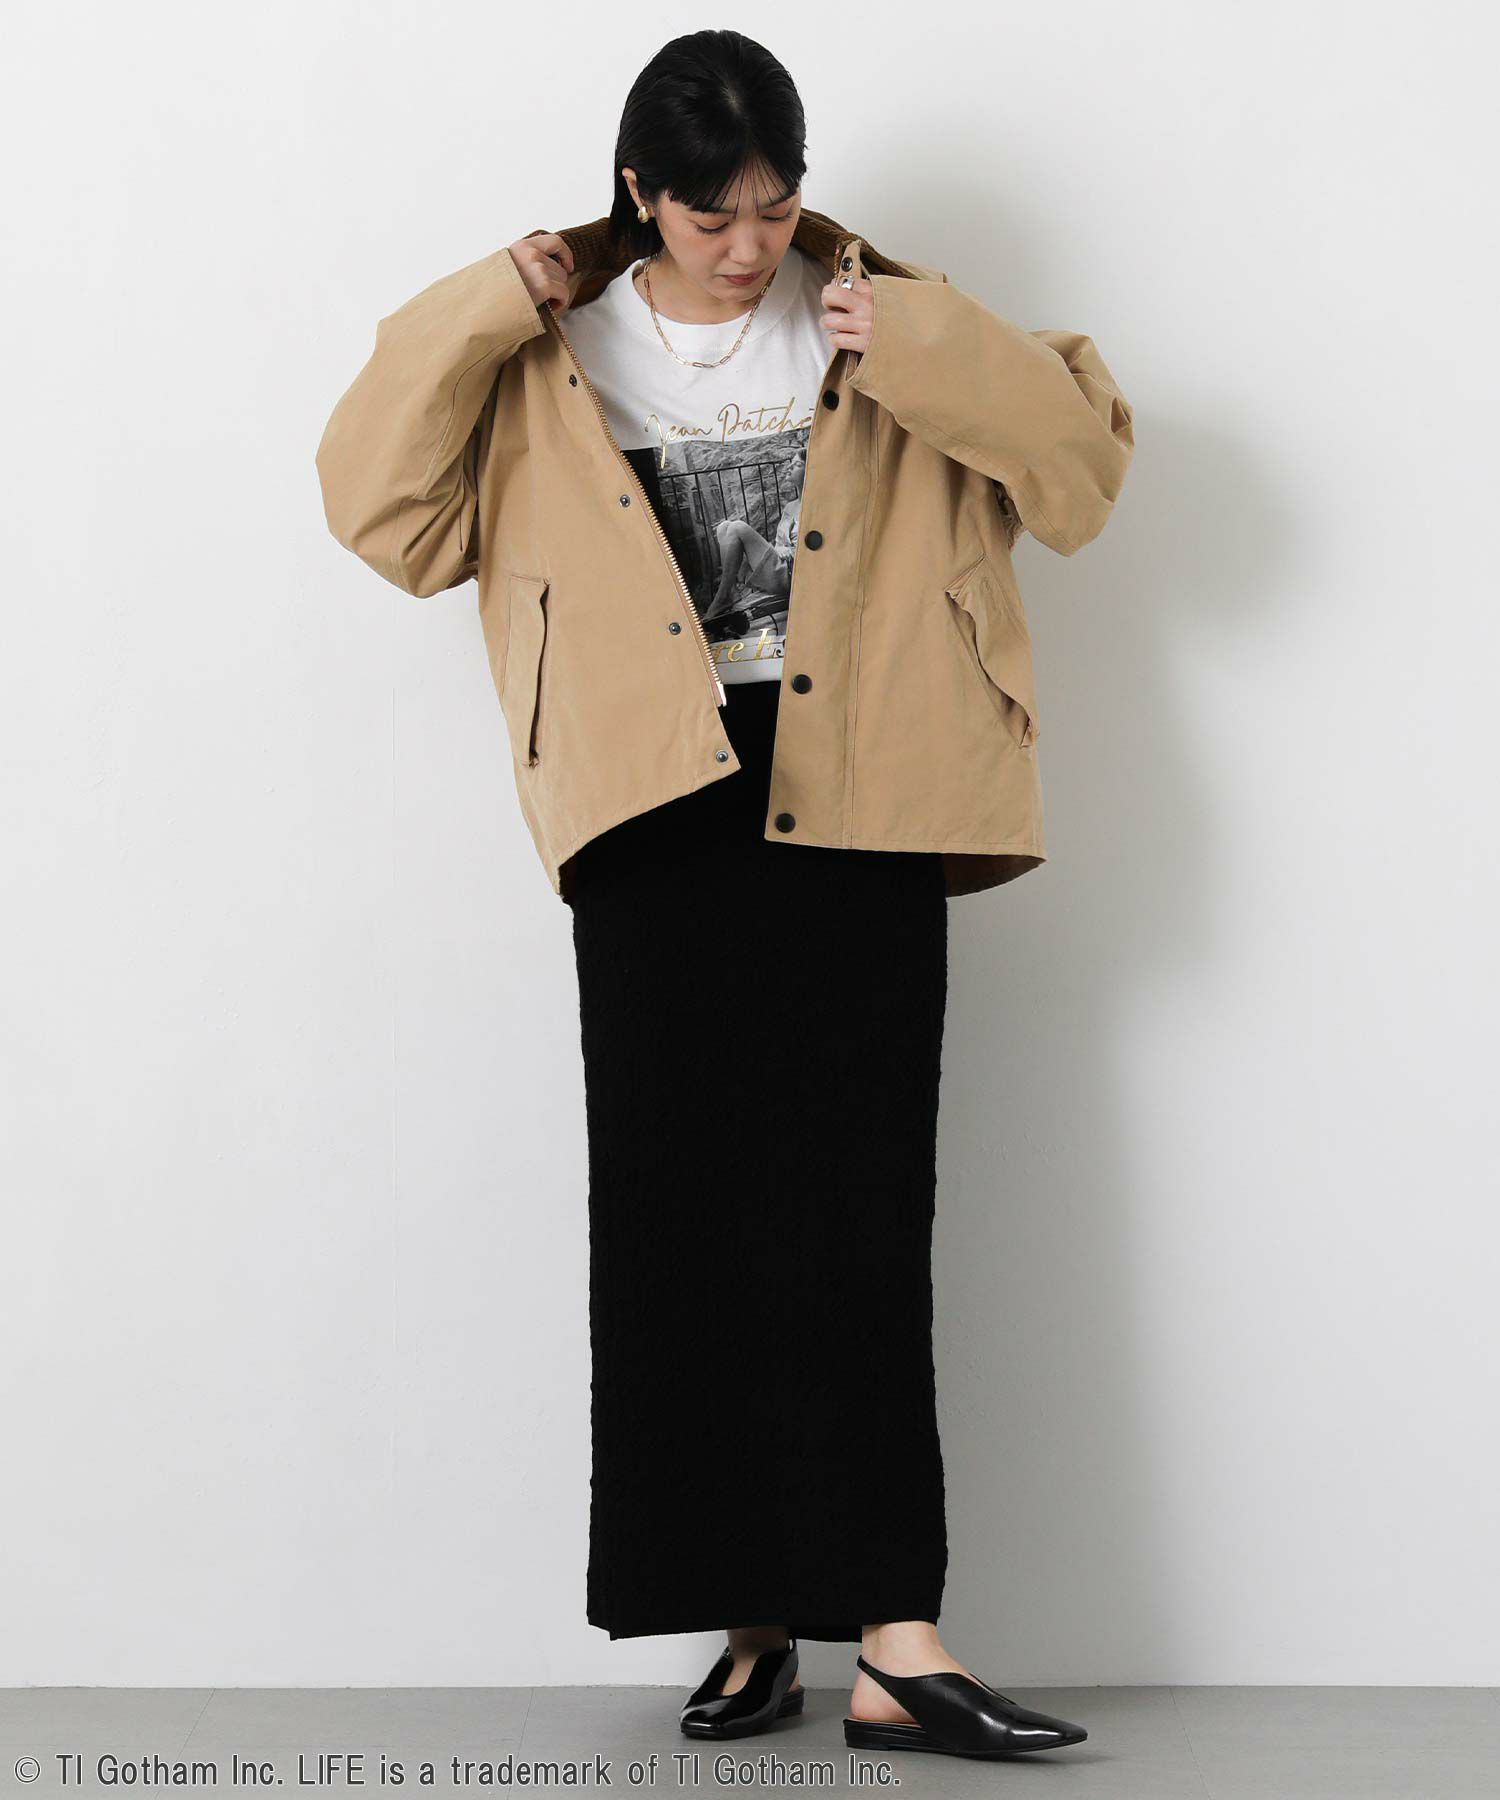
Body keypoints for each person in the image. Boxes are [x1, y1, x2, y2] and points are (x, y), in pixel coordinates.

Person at [315, 28, 1133, 1763]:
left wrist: (920, 342)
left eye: (773, 206)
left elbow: (1080, 473)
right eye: (711, 215)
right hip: (653, 799)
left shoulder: (872, 308)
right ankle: (752, 1622)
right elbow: (380, 512)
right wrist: (485, 302)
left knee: (860, 1212)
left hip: (864, 776)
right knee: (678, 1222)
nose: (750, 245)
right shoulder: (550, 348)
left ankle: (898, 1640)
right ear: (641, 194)